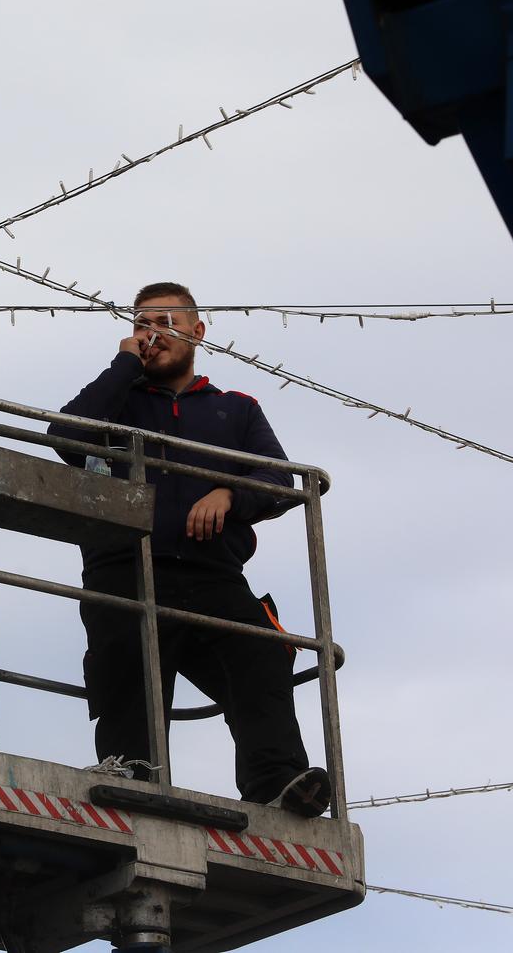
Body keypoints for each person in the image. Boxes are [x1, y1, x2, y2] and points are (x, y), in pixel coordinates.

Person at [48, 281, 332, 817]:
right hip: (125, 565)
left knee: (262, 654)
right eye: (141, 324)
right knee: (126, 664)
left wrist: (230, 491)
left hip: (212, 571)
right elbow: (64, 433)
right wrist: (123, 365)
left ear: (197, 332)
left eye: (166, 322)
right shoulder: (118, 399)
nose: (152, 333)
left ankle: (277, 782)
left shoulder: (235, 409)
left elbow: (281, 479)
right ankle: (130, 774)